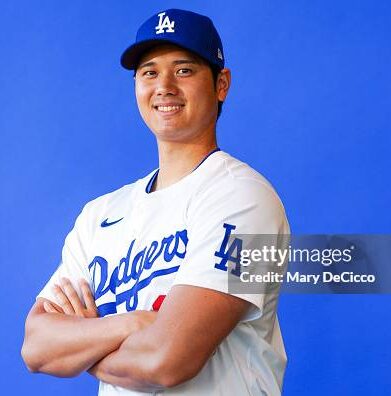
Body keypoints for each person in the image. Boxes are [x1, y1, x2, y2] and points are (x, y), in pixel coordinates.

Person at [21, 8, 290, 396]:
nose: (164, 86)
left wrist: (81, 345)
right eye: (149, 72)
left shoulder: (243, 198)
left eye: (184, 70)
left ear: (221, 84)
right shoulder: (99, 215)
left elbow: (167, 361)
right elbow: (36, 349)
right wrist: (134, 324)